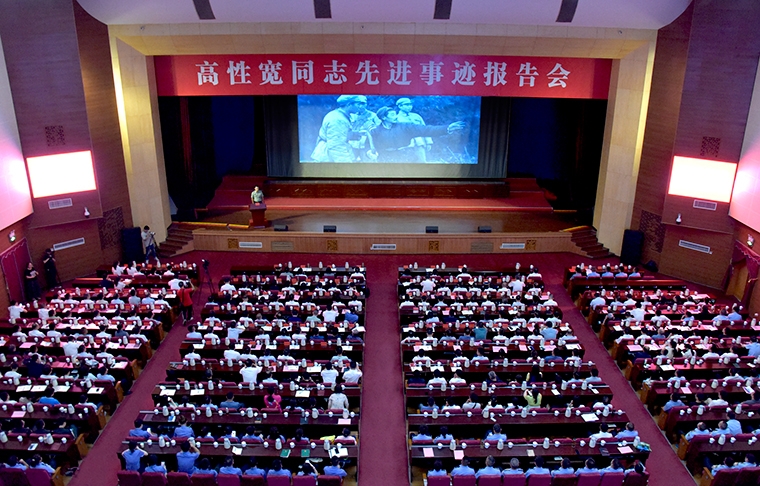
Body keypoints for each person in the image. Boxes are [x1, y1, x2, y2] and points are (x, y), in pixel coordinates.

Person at [367, 106, 465, 163]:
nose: (396, 117)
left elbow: (427, 129)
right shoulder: (375, 131)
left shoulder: (405, 127)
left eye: (395, 114)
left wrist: (447, 128)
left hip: (405, 157)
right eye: (392, 115)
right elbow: (371, 147)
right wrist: (371, 154)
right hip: (385, 159)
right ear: (383, 118)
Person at [310, 95, 366, 162]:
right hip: (329, 158)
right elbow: (337, 146)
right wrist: (346, 164)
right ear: (349, 104)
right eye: (358, 104)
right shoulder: (338, 120)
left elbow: (340, 135)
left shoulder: (339, 115)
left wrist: (353, 134)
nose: (360, 107)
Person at [395, 97, 432, 162]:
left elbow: (425, 129)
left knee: (422, 162)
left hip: (419, 143)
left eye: (410, 104)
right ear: (400, 106)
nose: (409, 107)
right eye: (407, 105)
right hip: (405, 146)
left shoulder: (416, 116)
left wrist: (429, 142)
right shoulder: (396, 118)